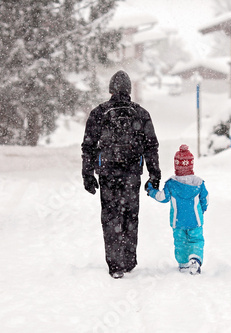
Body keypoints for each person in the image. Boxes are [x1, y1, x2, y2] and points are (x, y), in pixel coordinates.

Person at [81, 70, 161, 279]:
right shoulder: (141, 113)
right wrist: (154, 175)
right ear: (129, 90)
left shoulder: (99, 112)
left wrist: (87, 174)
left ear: (110, 89)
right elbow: (151, 147)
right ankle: (128, 260)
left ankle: (115, 264)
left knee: (110, 216)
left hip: (108, 174)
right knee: (129, 216)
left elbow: (88, 146)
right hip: (132, 174)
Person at [146, 144, 208, 275]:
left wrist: (151, 191)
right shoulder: (199, 183)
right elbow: (205, 199)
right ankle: (195, 259)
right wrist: (203, 209)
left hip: (178, 221)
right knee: (196, 240)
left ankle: (183, 263)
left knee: (180, 242)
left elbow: (162, 197)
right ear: (191, 164)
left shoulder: (171, 184)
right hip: (195, 220)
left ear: (176, 165)